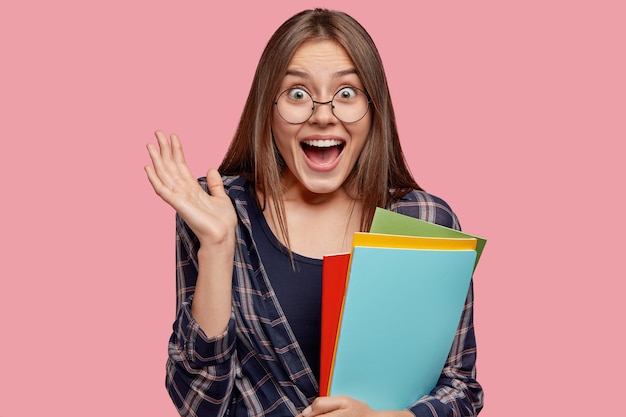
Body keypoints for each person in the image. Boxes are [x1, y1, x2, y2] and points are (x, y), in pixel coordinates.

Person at [145, 8, 483, 417]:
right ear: (267, 109)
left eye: (346, 93)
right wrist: (218, 245)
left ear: (374, 109)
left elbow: (460, 389)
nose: (323, 114)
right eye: (298, 94)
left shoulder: (425, 220)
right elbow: (200, 402)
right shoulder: (217, 210)